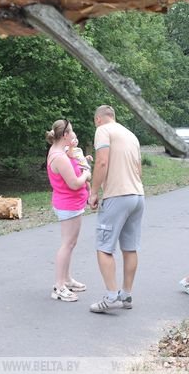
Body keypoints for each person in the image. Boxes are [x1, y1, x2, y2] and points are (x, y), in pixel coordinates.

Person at [87, 105, 145, 313]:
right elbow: (139, 169)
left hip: (117, 196)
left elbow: (102, 162)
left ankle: (111, 296)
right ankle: (126, 294)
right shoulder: (130, 134)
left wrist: (93, 192)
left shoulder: (103, 130)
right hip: (137, 195)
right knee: (129, 247)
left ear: (99, 119)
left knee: (104, 247)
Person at [45, 119, 91, 302]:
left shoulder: (61, 152)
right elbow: (74, 183)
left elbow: (72, 160)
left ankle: (67, 279)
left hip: (71, 204)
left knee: (71, 243)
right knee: (67, 244)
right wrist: (86, 173)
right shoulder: (59, 157)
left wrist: (76, 154)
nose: (73, 135)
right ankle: (59, 286)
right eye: (71, 132)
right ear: (64, 135)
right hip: (68, 204)